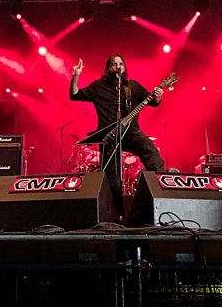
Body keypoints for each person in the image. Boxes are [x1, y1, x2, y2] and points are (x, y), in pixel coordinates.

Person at [70, 54, 165, 217]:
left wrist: (159, 95)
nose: (118, 66)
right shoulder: (98, 87)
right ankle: (116, 214)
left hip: (131, 133)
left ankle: (162, 195)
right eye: (114, 64)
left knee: (151, 152)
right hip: (109, 136)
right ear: (108, 68)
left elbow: (153, 101)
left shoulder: (132, 87)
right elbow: (75, 94)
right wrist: (76, 76)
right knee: (111, 177)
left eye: (121, 63)